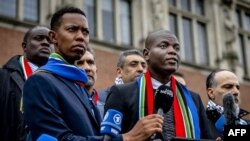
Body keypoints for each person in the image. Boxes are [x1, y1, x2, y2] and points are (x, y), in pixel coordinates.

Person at [23, 6, 163, 140]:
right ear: (53, 37)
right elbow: (57, 138)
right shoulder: (39, 82)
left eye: (85, 32)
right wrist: (127, 138)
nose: (80, 37)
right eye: (72, 29)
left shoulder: (78, 84)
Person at [105, 29, 213, 141]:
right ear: (146, 54)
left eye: (176, 48)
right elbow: (107, 139)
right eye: (163, 46)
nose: (173, 51)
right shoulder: (122, 93)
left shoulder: (194, 99)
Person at [0, 26, 52, 141]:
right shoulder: (3, 76)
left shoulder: (59, 81)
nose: (45, 43)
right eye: (39, 38)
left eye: (49, 41)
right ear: (24, 46)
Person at [98, 49, 147, 117]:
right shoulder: (102, 97)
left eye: (144, 66)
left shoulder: (151, 96)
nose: (141, 69)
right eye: (133, 64)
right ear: (119, 72)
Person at [205, 69, 250, 139]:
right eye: (228, 87)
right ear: (211, 93)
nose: (236, 92)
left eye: (237, 87)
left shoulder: (246, 124)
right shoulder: (199, 122)